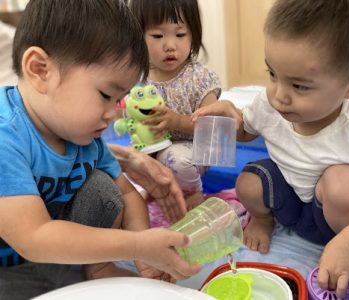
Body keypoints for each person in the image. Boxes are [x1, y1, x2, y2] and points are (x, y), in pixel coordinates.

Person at [192, 0, 349, 298]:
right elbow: (247, 131)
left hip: (335, 216)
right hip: (287, 203)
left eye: (300, 86)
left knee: (346, 186)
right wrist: (230, 116)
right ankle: (263, 220)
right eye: (272, 74)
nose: (279, 96)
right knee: (248, 183)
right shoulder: (269, 102)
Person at [0, 1, 201, 299]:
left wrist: (143, 247)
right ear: (40, 70)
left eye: (119, 99)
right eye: (105, 95)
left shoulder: (82, 134)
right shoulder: (6, 137)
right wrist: (132, 245)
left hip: (60, 252)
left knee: (102, 187)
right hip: (10, 268)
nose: (112, 114)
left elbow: (126, 193)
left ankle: (97, 268)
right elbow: (33, 237)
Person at [129, 0, 222, 210]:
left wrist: (177, 122)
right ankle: (157, 189)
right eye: (157, 36)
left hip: (192, 151)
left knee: (176, 160)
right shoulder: (139, 77)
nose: (170, 45)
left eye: (180, 35)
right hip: (155, 146)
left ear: (193, 34)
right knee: (128, 158)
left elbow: (212, 128)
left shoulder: (199, 78)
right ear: (139, 38)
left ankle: (192, 191)